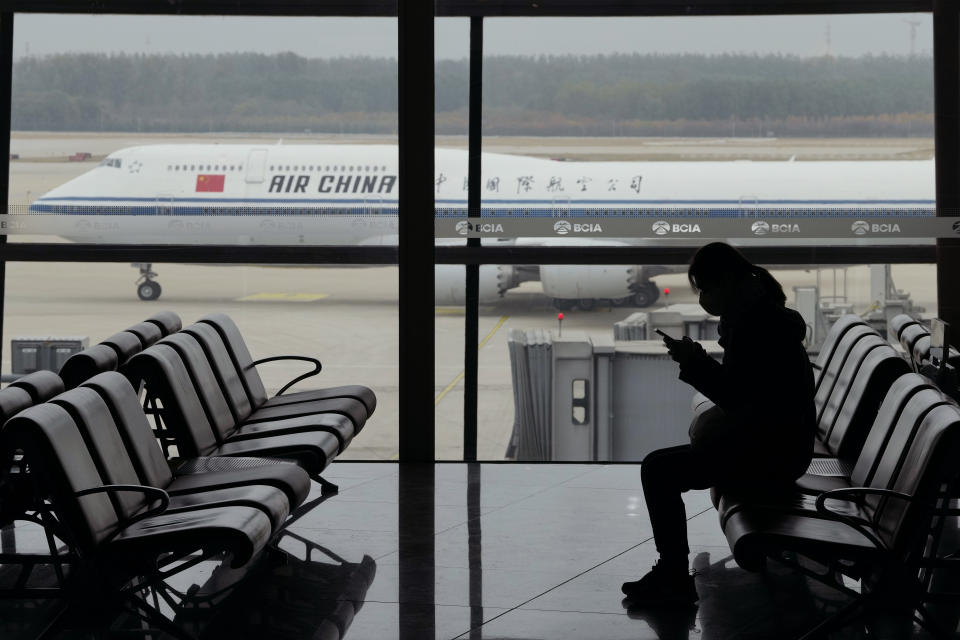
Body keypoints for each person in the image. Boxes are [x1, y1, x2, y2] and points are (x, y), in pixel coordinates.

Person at [621, 242, 816, 607]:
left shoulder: (757, 327)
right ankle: (672, 572)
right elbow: (748, 394)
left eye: (706, 288)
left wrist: (695, 363)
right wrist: (698, 362)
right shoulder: (762, 316)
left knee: (658, 470)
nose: (704, 299)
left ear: (727, 281)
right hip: (780, 444)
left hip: (772, 453)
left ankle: (674, 576)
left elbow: (738, 398)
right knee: (661, 466)